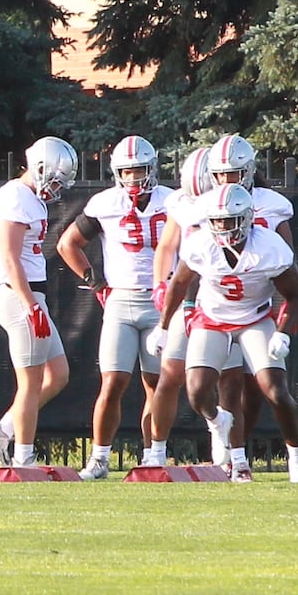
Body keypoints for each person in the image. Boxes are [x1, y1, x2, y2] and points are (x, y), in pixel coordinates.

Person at [155, 183, 298, 483]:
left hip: (255, 318)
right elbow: (178, 283)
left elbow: (294, 295)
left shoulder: (269, 246)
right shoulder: (200, 244)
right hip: (211, 318)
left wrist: (283, 332)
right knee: (198, 392)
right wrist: (162, 327)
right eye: (218, 220)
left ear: (248, 218)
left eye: (230, 220)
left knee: (275, 390)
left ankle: (297, 455)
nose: (223, 227)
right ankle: (217, 420)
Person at [56, 135, 172, 480]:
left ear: (152, 169)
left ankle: (154, 455)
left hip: (161, 301)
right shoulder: (105, 203)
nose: (135, 178)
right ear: (117, 173)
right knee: (113, 381)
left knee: (157, 382)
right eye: (128, 171)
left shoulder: (174, 201)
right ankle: (100, 458)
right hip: (121, 300)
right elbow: (68, 244)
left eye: (139, 170)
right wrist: (97, 285)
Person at [0, 136, 77, 469]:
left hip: (31, 296)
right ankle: (23, 457)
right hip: (21, 295)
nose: (57, 187)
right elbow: (9, 257)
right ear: (41, 167)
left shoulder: (30, 197)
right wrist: (30, 304)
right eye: (56, 178)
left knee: (57, 375)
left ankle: (1, 432)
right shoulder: (16, 196)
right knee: (30, 383)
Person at [206, 134, 295, 477]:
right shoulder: (206, 204)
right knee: (227, 382)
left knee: (258, 387)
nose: (227, 180)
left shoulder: (272, 204)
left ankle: (244, 447)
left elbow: (288, 260)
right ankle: (236, 460)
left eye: (235, 173)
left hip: (260, 306)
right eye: (221, 174)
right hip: (221, 305)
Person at [145, 146, 213, 469]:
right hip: (185, 296)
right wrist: (161, 285)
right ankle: (156, 452)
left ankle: (226, 451)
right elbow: (166, 246)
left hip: (219, 298)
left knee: (221, 379)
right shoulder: (180, 203)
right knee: (169, 375)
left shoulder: (236, 203)